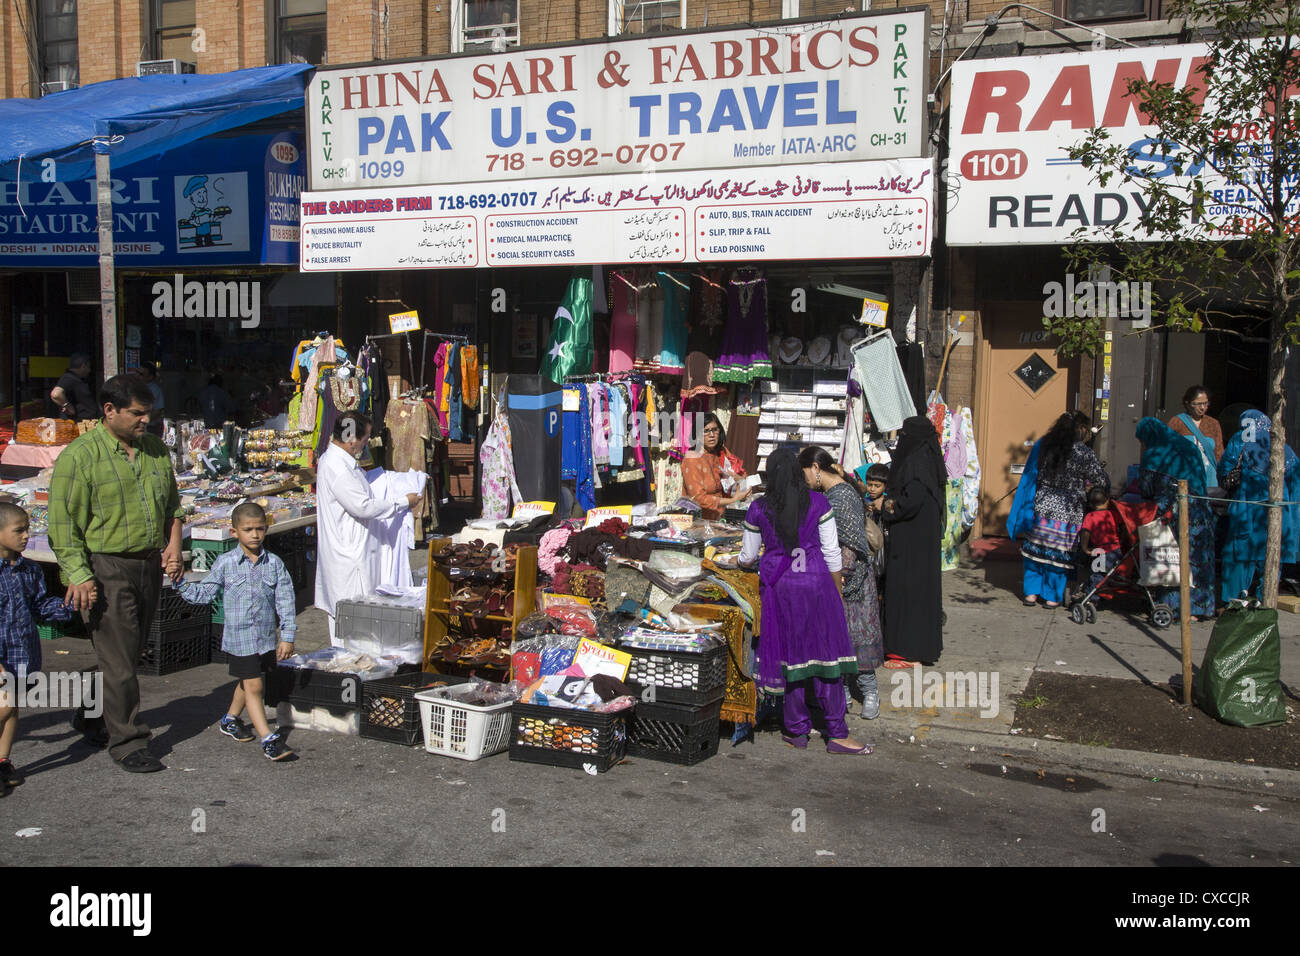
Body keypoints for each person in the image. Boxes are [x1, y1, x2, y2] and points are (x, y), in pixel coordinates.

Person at [48, 374, 184, 773]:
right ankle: (128, 741)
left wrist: (173, 544)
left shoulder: (156, 450)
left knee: (125, 653)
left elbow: (173, 508)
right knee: (122, 661)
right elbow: (63, 526)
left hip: (147, 564)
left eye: (149, 413)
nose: (145, 421)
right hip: (105, 566)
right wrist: (80, 574)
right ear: (109, 411)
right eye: (137, 414)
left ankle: (91, 713)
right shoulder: (80, 456)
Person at [737, 446, 870, 754]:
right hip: (817, 586)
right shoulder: (818, 502)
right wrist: (836, 590)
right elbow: (832, 552)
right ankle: (836, 732)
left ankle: (796, 730)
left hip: (781, 590)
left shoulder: (759, 508)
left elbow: (746, 557)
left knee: (791, 660)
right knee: (827, 661)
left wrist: (741, 563)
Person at [176, 502, 296, 761]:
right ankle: (268, 739)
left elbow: (285, 601)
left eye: (260, 529)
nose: (254, 534)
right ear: (234, 533)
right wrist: (179, 582)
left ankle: (230, 719)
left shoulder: (274, 564)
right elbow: (204, 593)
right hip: (240, 640)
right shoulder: (225, 563)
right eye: (248, 529)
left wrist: (287, 636)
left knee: (249, 681)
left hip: (265, 639)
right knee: (254, 685)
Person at [315, 412, 421, 643]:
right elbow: (362, 506)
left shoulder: (341, 462)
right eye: (366, 438)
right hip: (348, 555)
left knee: (356, 618)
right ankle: (350, 668)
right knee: (351, 621)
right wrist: (404, 502)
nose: (366, 444)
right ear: (352, 437)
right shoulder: (337, 467)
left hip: (354, 550)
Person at [799, 446, 883, 720]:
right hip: (839, 576)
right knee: (840, 638)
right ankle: (843, 692)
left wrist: (842, 575)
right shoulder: (835, 493)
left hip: (851, 578)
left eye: (805, 474)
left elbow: (849, 542)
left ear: (815, 467)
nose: (806, 481)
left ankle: (869, 691)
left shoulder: (841, 496)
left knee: (858, 636)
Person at [0, 502, 75, 796]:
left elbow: (41, 606)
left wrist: (68, 605)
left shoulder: (30, 569)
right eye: (19, 530)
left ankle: (4, 761)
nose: (26, 536)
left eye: (27, 529)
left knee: (12, 705)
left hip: (24, 651)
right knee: (4, 705)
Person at [1015, 413, 1110, 609]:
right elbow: (1101, 480)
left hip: (1042, 506)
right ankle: (1051, 597)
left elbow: (1035, 474)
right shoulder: (1083, 452)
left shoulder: (1046, 447)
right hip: (1068, 510)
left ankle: (1031, 594)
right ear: (1080, 429)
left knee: (1036, 551)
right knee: (1058, 555)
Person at [880, 416, 945, 668]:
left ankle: (905, 652)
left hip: (909, 547)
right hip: (922, 544)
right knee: (920, 595)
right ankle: (917, 648)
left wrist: (888, 507)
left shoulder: (915, 465)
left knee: (906, 594)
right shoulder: (929, 462)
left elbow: (910, 501)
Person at [1136, 417, 1216, 620]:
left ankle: (1171, 605)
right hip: (1198, 508)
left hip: (1172, 512)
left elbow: (1145, 488)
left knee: (1170, 555)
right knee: (1196, 557)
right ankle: (1198, 609)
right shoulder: (1188, 447)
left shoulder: (1153, 454)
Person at [1218, 409, 1300, 603]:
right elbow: (1296, 484)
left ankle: (1234, 604)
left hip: (1248, 512)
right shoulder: (1281, 445)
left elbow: (1224, 471)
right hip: (1278, 513)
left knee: (1238, 559)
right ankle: (1266, 605)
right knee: (1270, 561)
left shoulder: (1241, 440)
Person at [680, 412, 751, 519]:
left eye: (715, 430)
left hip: (724, 516)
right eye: (706, 431)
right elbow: (698, 498)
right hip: (700, 520)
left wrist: (741, 482)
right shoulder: (692, 459)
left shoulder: (721, 452)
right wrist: (733, 499)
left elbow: (741, 473)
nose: (712, 435)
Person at [1169, 385, 1224, 492]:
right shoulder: (1176, 422)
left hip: (1210, 479)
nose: (1203, 407)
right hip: (1185, 477)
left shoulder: (1213, 424)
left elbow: (1219, 453)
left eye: (1206, 403)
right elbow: (1167, 451)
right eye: (1198, 404)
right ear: (1188, 403)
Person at [1078, 486, 1122, 602]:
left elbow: (1086, 533)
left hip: (1101, 551)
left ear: (1091, 504)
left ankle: (1092, 599)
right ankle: (1096, 593)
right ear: (1107, 500)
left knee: (1097, 574)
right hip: (1117, 550)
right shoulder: (1113, 514)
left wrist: (1085, 548)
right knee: (1105, 574)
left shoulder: (1090, 517)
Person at [49, 353, 97, 422]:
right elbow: (56, 394)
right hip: (77, 423)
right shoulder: (69, 378)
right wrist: (67, 405)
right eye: (88, 367)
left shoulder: (76, 379)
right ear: (83, 366)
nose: (89, 371)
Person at [137, 364, 165, 436]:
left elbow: (158, 411)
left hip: (151, 427)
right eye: (137, 372)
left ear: (150, 377)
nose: (138, 376)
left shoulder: (155, 390)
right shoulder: (136, 387)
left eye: (141, 374)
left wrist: (143, 421)